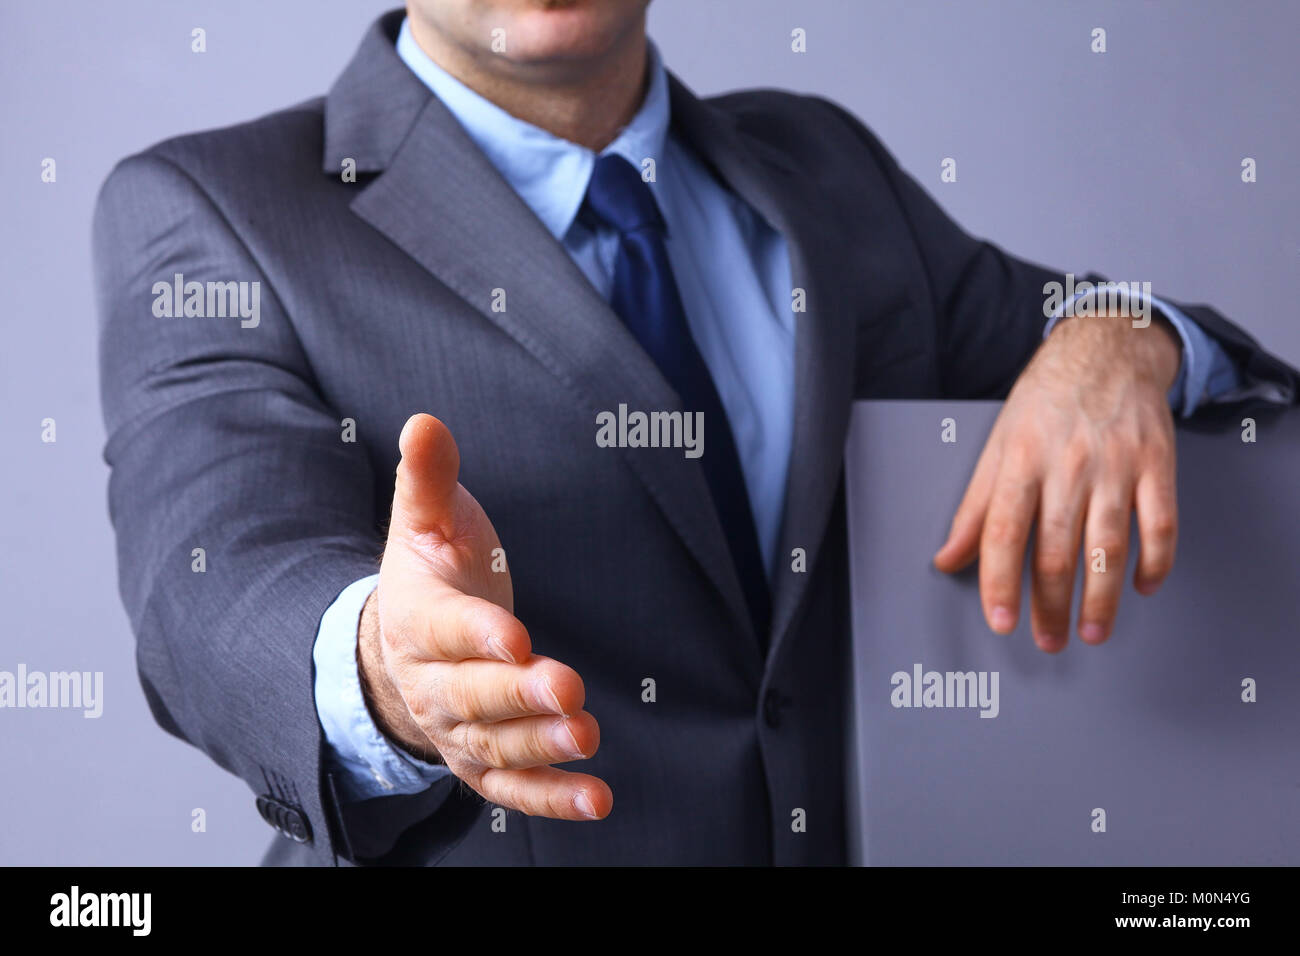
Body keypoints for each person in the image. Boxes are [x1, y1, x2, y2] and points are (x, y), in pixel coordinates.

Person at [93, 2, 1297, 865]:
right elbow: (212, 573)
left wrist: (1116, 337)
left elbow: (1150, 353)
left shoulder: (824, 167)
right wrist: (385, 669)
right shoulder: (217, 208)